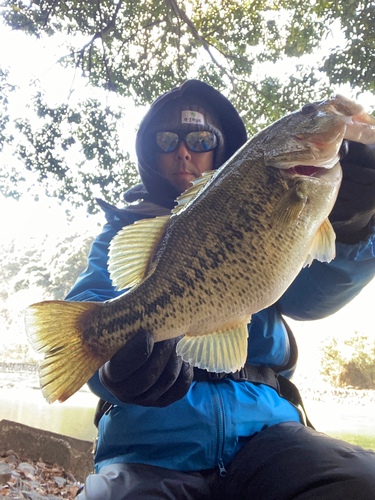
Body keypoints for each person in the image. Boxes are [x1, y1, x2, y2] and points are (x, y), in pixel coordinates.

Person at [66, 80, 375, 499]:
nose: (183, 151)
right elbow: (87, 312)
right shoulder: (125, 227)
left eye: (200, 138)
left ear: (221, 145)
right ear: (150, 153)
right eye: (166, 139)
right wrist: (111, 372)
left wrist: (356, 227)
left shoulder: (279, 191)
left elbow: (310, 299)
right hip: (149, 442)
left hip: (269, 430)